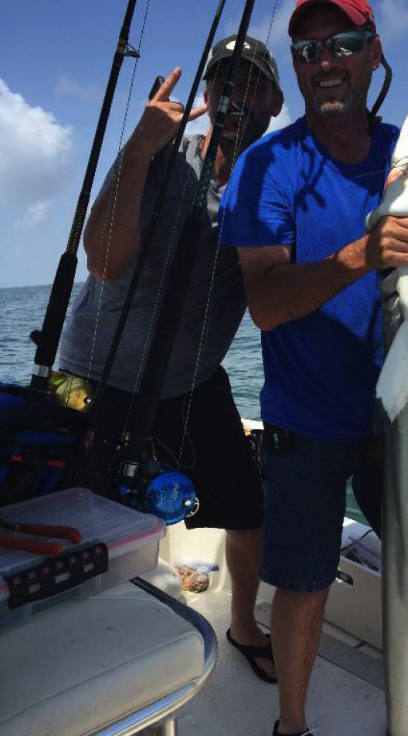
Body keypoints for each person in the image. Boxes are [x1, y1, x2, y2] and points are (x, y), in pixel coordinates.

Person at [219, 1, 408, 734]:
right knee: (302, 583)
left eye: (343, 42)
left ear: (375, 52)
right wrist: (363, 251)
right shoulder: (267, 167)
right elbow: (264, 304)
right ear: (297, 66)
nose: (325, 60)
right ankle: (293, 723)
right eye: (308, 49)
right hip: (307, 416)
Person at [59, 35, 284, 683]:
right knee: (75, 514)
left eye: (248, 84)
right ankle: (76, 642)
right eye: (221, 85)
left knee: (247, 508)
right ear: (205, 98)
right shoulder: (158, 156)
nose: (231, 97)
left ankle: (242, 623)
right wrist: (135, 150)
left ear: (273, 98)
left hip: (189, 382)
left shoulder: (277, 183)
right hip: (91, 372)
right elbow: (102, 260)